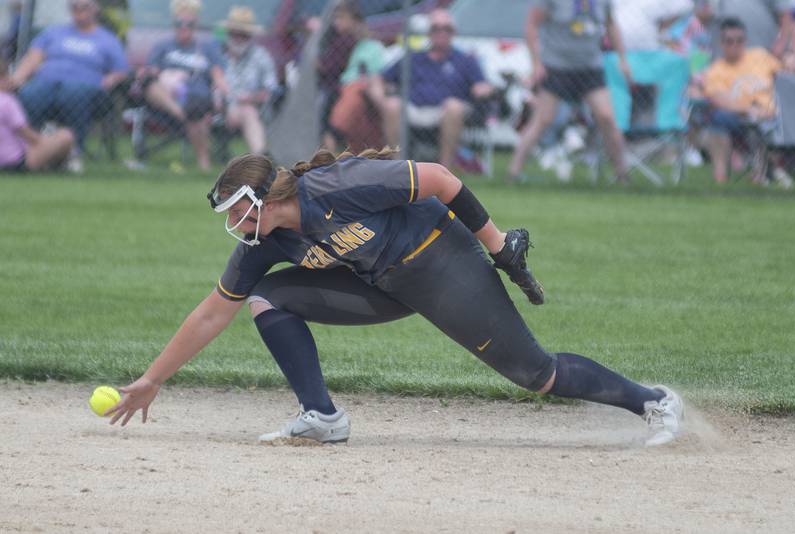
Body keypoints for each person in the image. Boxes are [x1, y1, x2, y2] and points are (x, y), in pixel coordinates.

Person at [106, 147, 684, 448]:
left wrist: (497, 243)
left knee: (535, 374)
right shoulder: (264, 243)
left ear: (260, 198)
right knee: (266, 295)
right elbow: (213, 312)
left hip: (443, 262)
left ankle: (653, 402)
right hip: (385, 286)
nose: (231, 220)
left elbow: (438, 178)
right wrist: (154, 378)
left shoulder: (334, 187)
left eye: (235, 207)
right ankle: (322, 417)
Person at [508, 0, 632, 183]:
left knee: (606, 117)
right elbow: (531, 26)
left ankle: (622, 174)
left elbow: (611, 24)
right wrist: (536, 63)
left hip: (590, 68)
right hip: (557, 68)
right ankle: (513, 172)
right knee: (543, 120)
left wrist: (623, 58)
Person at [7, 0, 128, 173]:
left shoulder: (108, 39)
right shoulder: (53, 33)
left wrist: (109, 80)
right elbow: (33, 58)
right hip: (47, 83)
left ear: (95, 9)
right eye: (74, 7)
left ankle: (72, 152)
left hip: (87, 89)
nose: (78, 11)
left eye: (84, 6)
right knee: (30, 93)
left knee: (72, 94)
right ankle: (32, 149)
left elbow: (121, 70)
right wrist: (17, 78)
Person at [368, 9, 495, 169]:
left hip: (446, 112)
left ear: (453, 33)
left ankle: (445, 170)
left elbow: (482, 86)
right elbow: (379, 78)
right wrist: (380, 97)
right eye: (436, 28)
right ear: (428, 32)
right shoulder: (414, 57)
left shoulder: (465, 60)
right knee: (392, 104)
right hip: (412, 108)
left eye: (446, 29)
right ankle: (398, 168)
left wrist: (484, 90)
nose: (441, 33)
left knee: (454, 107)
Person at [137, 0, 227, 170]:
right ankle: (184, 115)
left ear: (195, 25)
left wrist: (220, 92)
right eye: (180, 23)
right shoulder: (163, 46)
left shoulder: (207, 47)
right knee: (152, 86)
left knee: (197, 109)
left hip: (197, 97)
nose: (184, 27)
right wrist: (167, 75)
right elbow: (151, 71)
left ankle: (203, 162)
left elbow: (218, 75)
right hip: (166, 98)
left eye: (189, 24)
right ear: (174, 24)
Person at [702, 17, 783, 183]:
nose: (735, 46)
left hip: (774, 114)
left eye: (739, 41)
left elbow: (784, 76)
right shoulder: (716, 70)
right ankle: (721, 178)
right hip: (738, 117)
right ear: (721, 43)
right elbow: (717, 99)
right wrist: (749, 110)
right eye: (729, 41)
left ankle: (764, 173)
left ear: (745, 41)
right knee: (717, 119)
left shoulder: (760, 56)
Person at [327, 0, 386, 152]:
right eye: (335, 18)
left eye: (340, 18)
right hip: (338, 89)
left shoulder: (370, 46)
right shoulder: (339, 41)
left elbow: (374, 75)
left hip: (357, 90)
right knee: (354, 92)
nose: (336, 23)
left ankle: (334, 134)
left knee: (357, 90)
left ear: (354, 21)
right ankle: (334, 136)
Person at [220, 6, 278, 156]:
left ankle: (259, 157)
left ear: (250, 35)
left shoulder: (261, 56)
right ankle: (260, 158)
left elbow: (270, 90)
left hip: (252, 107)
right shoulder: (218, 55)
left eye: (243, 34)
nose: (238, 38)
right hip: (219, 107)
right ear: (228, 33)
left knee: (247, 111)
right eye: (235, 33)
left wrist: (250, 98)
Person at [0, 58, 74, 172]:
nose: (10, 80)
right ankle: (55, 166)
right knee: (65, 136)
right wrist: (46, 141)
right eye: (6, 77)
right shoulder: (7, 101)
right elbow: (25, 133)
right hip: (16, 163)